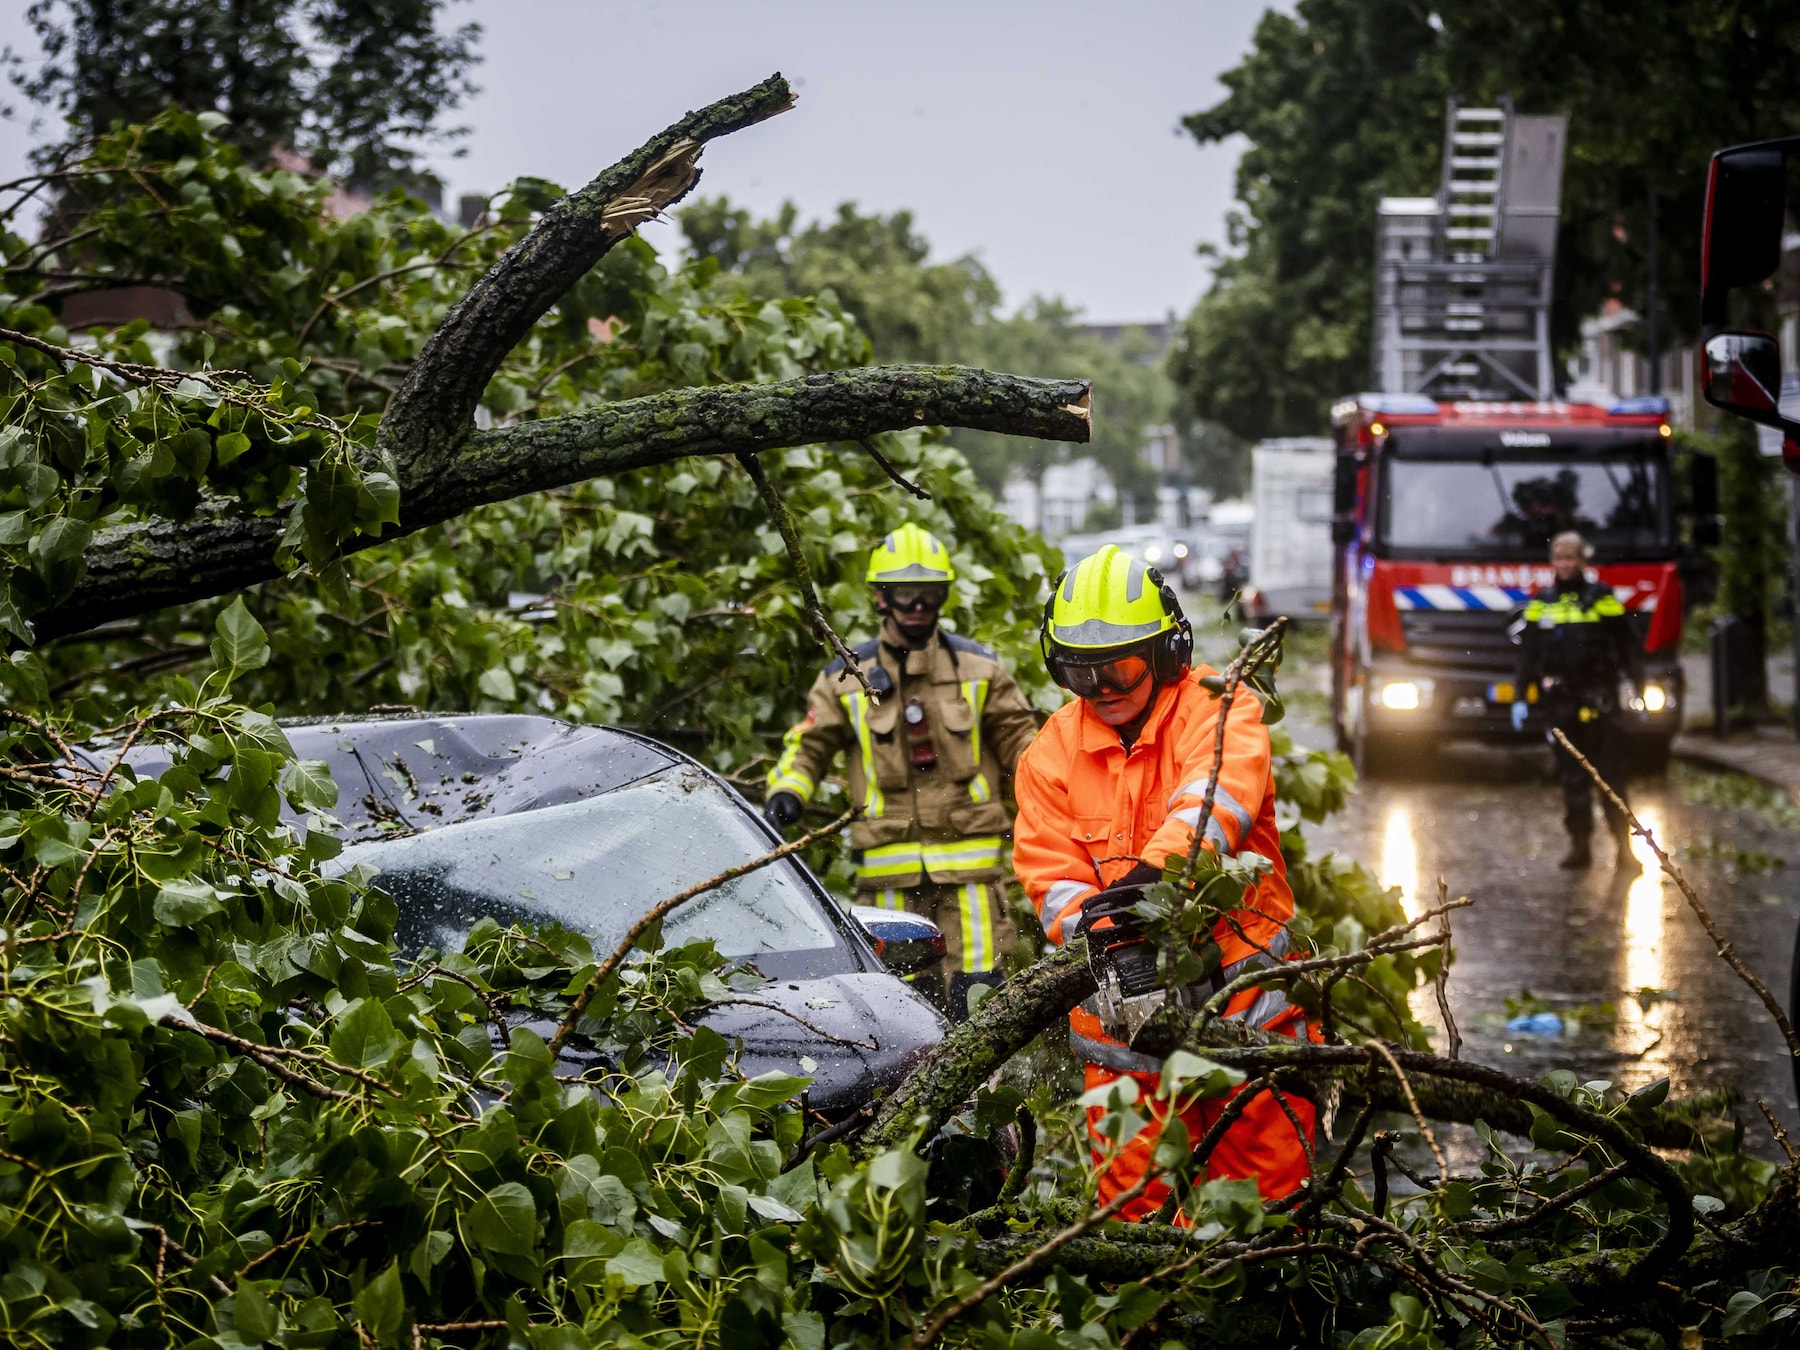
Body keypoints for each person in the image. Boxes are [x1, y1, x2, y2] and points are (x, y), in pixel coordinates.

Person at [1012, 545, 1314, 1218]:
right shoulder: (1050, 754)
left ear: (1166, 653)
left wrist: (1152, 884)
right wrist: (1105, 935)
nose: (1102, 689)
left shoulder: (1218, 709)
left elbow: (1214, 803)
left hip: (1244, 1005)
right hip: (1123, 1026)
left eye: (1117, 667)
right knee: (1134, 1215)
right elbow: (1050, 875)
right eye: (1077, 672)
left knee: (1263, 1209)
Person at [764, 523, 1039, 1017]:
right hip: (887, 886)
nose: (918, 606)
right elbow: (807, 747)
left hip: (971, 877)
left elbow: (1027, 747)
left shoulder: (981, 670)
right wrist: (787, 793)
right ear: (880, 597)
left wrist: (1058, 797)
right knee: (901, 1007)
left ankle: (983, 1096)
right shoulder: (845, 678)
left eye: (930, 594)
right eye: (906, 594)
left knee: (977, 1001)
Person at [1510, 530, 1644, 872]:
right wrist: (1521, 694)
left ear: (1582, 561)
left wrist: (1638, 683)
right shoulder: (1543, 601)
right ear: (1552, 561)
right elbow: (1529, 652)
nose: (1565, 564)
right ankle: (1580, 847)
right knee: (1571, 777)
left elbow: (1626, 642)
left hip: (1600, 699)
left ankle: (1624, 850)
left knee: (1611, 777)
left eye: (1571, 557)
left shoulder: (1601, 597)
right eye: (1559, 557)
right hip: (1562, 702)